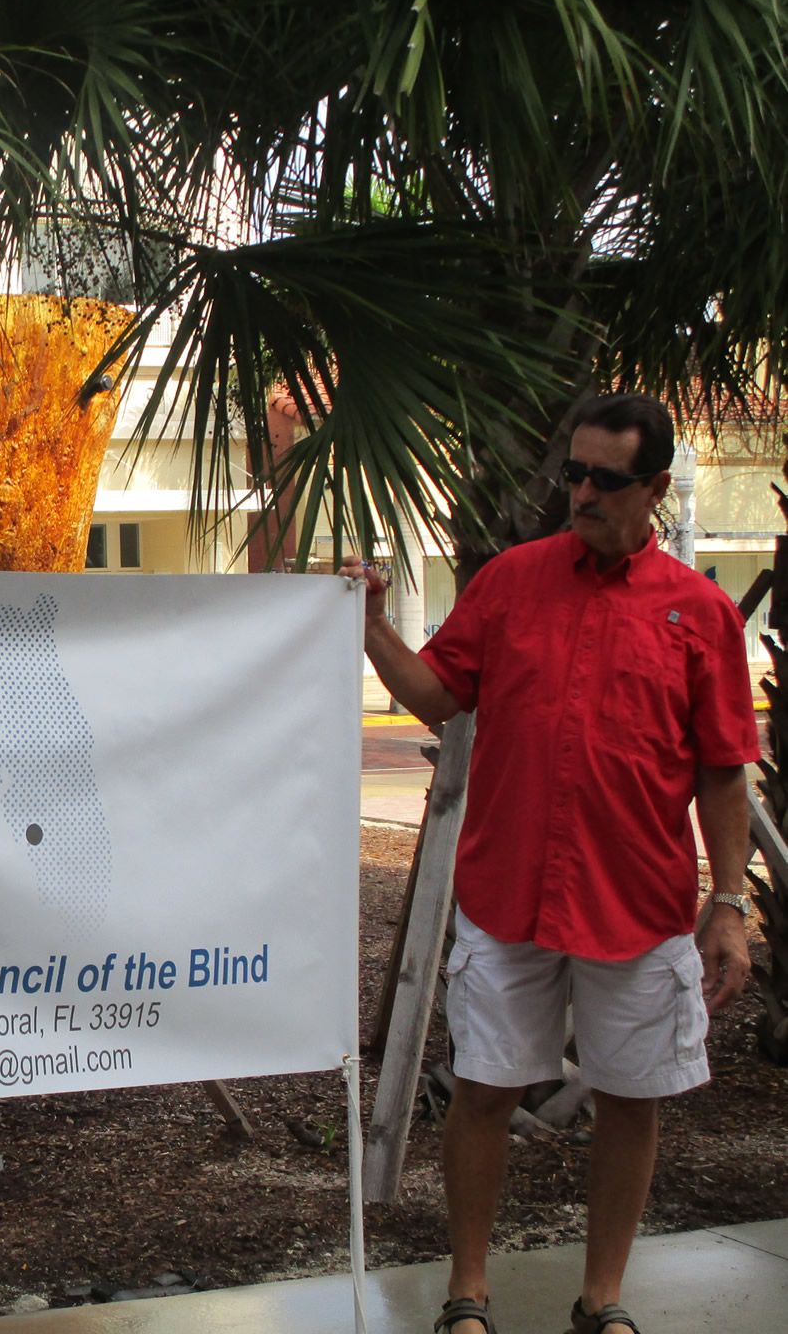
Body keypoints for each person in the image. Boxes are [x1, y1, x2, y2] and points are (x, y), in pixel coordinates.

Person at [339, 393, 757, 1334]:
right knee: (482, 1090)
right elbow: (437, 695)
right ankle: (467, 1294)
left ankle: (600, 1300)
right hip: (506, 894)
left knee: (631, 1100)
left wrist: (727, 902)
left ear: (654, 488)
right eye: (572, 472)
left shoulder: (700, 614)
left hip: (639, 905)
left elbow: (723, 771)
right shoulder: (510, 582)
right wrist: (372, 629)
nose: (581, 492)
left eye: (605, 479)